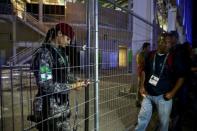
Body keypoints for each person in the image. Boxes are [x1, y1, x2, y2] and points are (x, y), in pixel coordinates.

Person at [29, 23, 88, 131]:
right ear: (59, 33)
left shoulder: (61, 53)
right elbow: (46, 85)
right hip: (48, 108)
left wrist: (78, 80)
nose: (69, 42)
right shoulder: (44, 54)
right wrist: (73, 86)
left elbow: (66, 73)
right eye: (68, 38)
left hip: (62, 106)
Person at [135, 32, 187, 131]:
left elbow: (181, 77)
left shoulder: (173, 57)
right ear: (160, 43)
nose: (169, 45)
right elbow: (144, 72)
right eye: (167, 42)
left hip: (163, 97)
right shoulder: (150, 55)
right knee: (142, 119)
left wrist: (172, 93)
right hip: (148, 95)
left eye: (170, 43)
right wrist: (141, 86)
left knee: (164, 123)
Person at [136, 42, 150, 107]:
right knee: (140, 87)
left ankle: (143, 101)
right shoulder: (141, 54)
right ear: (145, 47)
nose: (149, 48)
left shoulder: (148, 54)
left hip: (146, 73)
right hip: (141, 73)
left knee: (144, 87)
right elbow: (141, 63)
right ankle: (138, 101)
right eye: (148, 47)